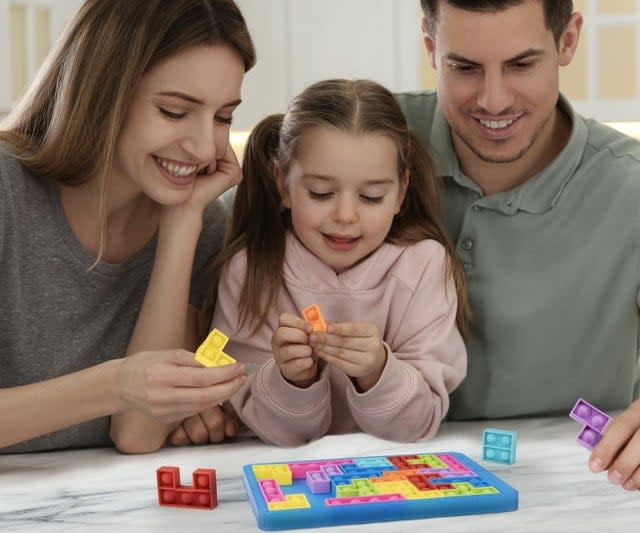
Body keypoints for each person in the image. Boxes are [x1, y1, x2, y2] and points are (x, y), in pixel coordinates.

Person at [395, 0, 640, 490]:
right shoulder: (362, 135)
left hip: (574, 491)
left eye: (522, 64)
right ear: (429, 45)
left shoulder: (630, 186)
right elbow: (233, 245)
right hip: (368, 486)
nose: (492, 100)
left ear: (567, 41)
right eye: (464, 67)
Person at [0, 0, 256, 454]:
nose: (202, 147)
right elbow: (133, 390)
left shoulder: (200, 220)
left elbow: (139, 434)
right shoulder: (7, 190)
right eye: (175, 112)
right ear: (102, 94)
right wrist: (117, 383)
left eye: (223, 117)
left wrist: (181, 227)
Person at [206, 78, 468, 446]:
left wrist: (378, 371)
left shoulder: (423, 266)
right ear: (282, 184)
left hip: (390, 479)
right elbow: (261, 423)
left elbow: (417, 425)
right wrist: (292, 381)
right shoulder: (250, 271)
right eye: (321, 193)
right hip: (285, 478)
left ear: (400, 193)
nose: (345, 215)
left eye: (372, 196)